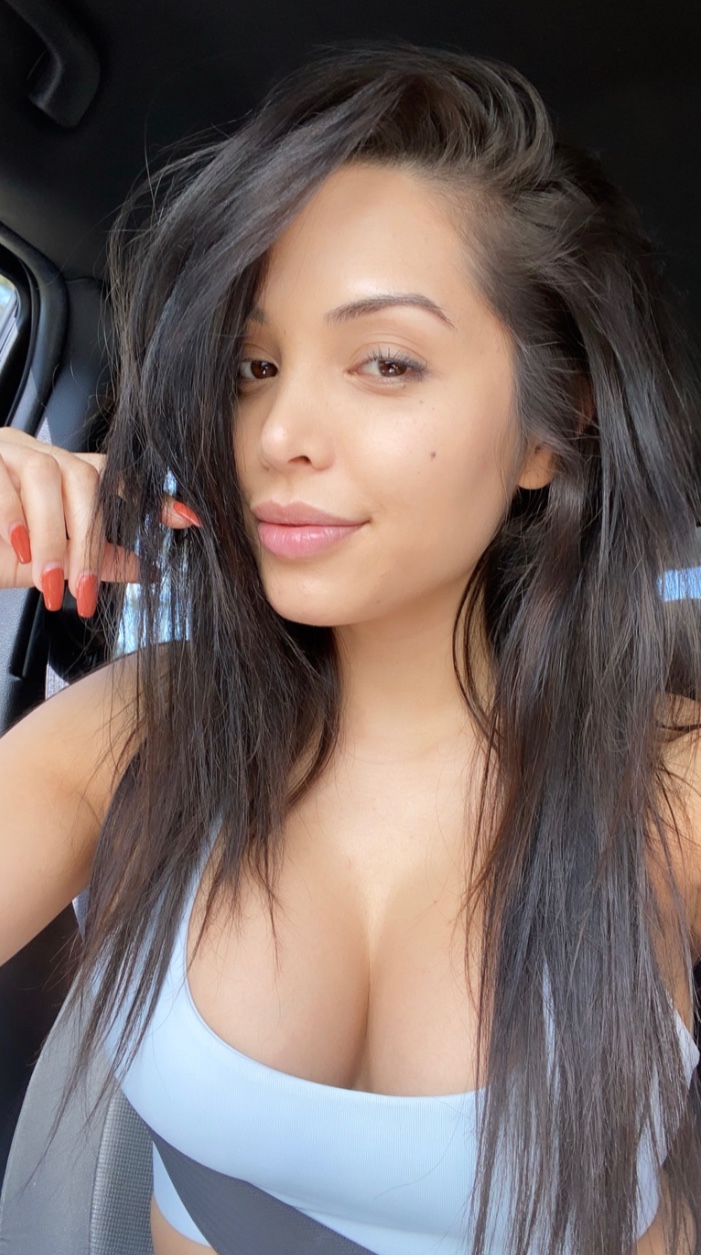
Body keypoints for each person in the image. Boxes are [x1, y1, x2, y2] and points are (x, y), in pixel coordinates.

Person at [1, 40, 701, 1255]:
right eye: (254, 365)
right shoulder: (138, 732)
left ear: (551, 428)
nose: (279, 429)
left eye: (385, 362)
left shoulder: (667, 785)